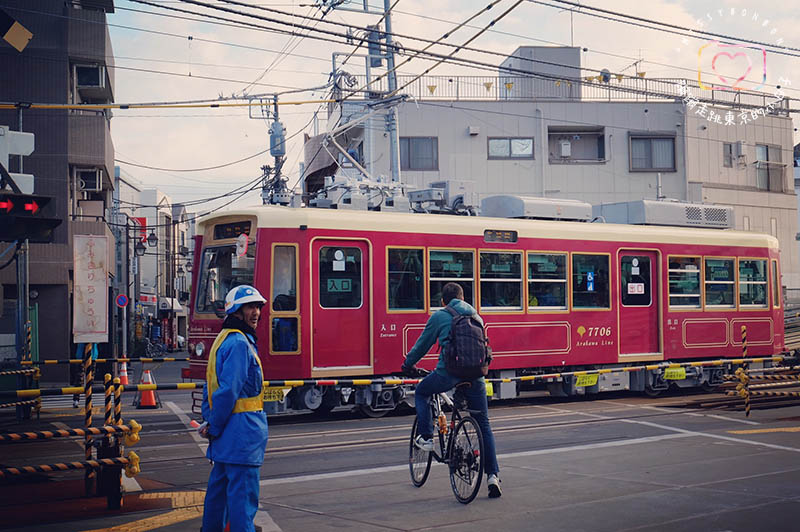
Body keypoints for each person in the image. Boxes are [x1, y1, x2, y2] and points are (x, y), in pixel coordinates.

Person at [401, 282, 502, 498]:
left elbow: (422, 345)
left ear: (443, 300)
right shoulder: (476, 316)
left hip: (449, 374)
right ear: (462, 297)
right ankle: (493, 476)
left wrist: (408, 365)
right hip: (476, 375)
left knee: (422, 392)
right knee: (483, 423)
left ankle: (426, 437)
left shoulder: (440, 315)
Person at [200, 285, 269, 532]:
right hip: (242, 435)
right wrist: (214, 426)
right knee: (242, 502)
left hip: (227, 438)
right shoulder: (240, 343)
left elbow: (215, 386)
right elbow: (229, 390)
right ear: (236, 312)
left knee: (217, 498)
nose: (256, 313)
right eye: (250, 307)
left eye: (258, 307)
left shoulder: (224, 339)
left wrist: (210, 423)